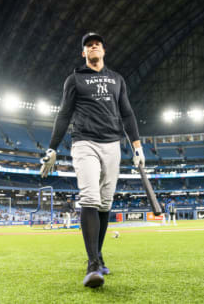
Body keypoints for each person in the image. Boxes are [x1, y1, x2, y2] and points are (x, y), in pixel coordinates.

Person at [40, 32, 144, 288]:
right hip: (84, 142)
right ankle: (93, 265)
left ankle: (97, 256)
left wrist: (138, 146)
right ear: (83, 53)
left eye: (97, 43)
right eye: (88, 45)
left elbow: (128, 114)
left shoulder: (117, 79)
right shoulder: (74, 79)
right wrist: (52, 148)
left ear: (104, 51)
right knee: (90, 198)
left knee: (105, 204)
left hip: (113, 144)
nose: (93, 46)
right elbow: (64, 114)